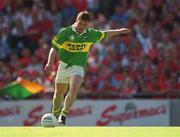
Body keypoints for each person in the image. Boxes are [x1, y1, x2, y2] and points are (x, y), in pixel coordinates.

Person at [44, 11, 131, 126]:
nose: (81, 27)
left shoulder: (91, 34)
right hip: (63, 65)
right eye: (80, 24)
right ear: (76, 21)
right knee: (59, 93)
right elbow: (53, 48)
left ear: (88, 24)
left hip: (78, 67)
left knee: (74, 88)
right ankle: (55, 113)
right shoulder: (65, 32)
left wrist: (119, 31)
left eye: (84, 25)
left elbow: (105, 34)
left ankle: (64, 114)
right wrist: (50, 63)